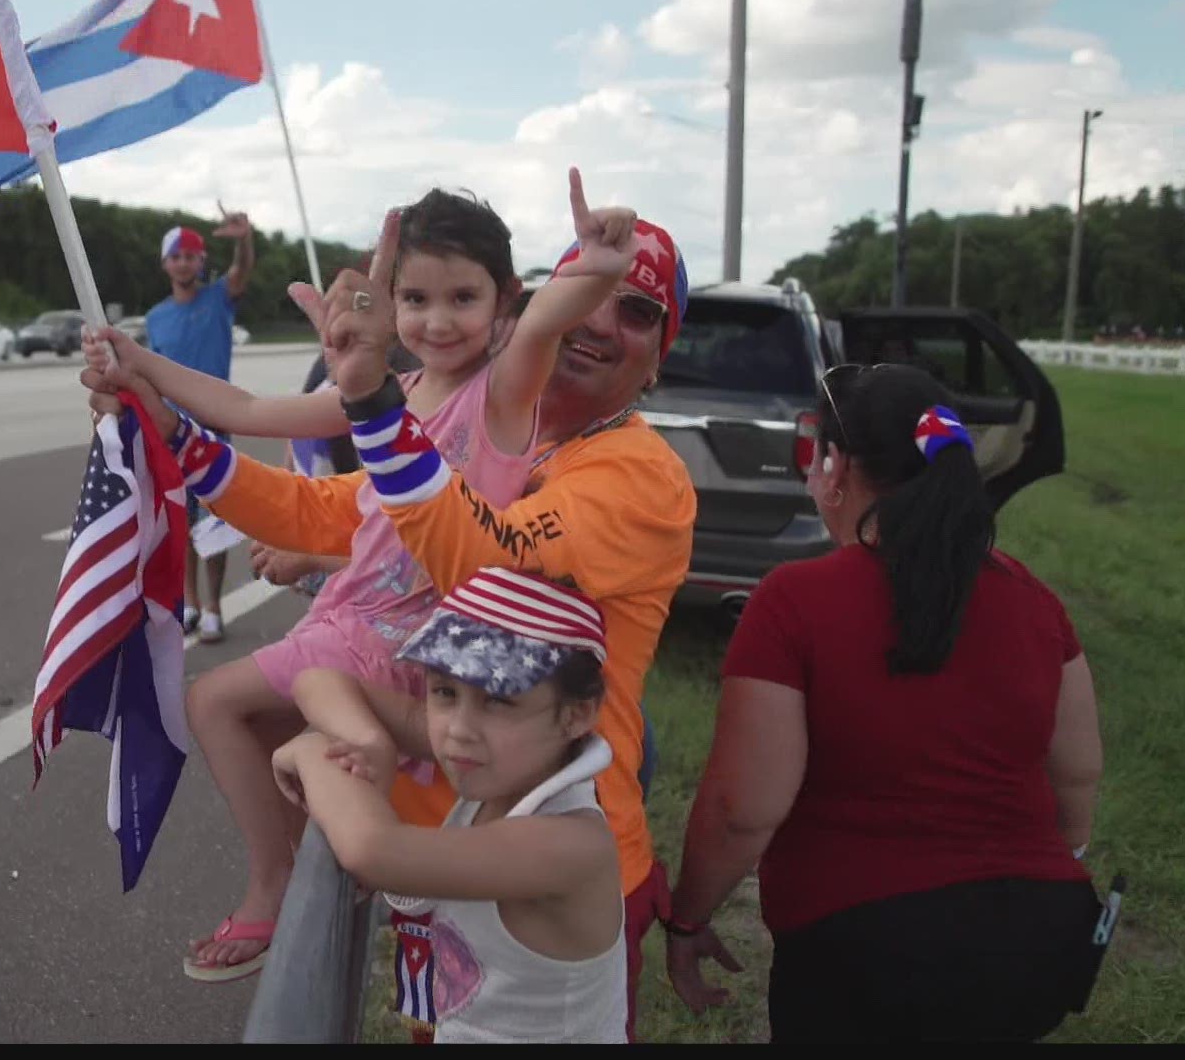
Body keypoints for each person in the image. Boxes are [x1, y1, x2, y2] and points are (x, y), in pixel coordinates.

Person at [89, 183, 697, 1035]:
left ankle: (284, 874)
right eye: (418, 298)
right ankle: (294, 864)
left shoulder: (635, 474)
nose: (600, 323)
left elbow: (479, 559)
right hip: (444, 840)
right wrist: (171, 427)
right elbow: (338, 510)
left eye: (634, 310)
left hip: (550, 854)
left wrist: (373, 398)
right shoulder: (474, 422)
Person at [663, 363, 1108, 1042]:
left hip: (863, 949)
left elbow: (742, 809)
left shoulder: (794, 601)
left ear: (835, 467)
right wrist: (1054, 863)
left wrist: (688, 919)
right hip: (1039, 938)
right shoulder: (1033, 600)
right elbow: (1076, 773)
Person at [272, 566, 628, 1043]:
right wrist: (367, 741)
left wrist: (311, 751)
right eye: (443, 692)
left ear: (577, 715)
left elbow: (375, 851)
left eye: (498, 699)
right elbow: (317, 678)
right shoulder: (501, 755)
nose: (458, 728)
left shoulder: (570, 844)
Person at [146, 206, 256, 643]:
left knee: (213, 524)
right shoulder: (156, 318)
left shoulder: (219, 298)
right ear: (165, 264)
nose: (184, 263)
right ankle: (189, 601)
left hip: (213, 428)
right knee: (181, 523)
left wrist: (244, 239)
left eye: (191, 256)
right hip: (172, 431)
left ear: (201, 262)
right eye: (176, 256)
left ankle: (214, 606)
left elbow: (242, 268)